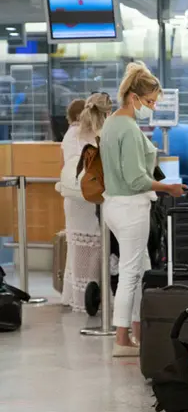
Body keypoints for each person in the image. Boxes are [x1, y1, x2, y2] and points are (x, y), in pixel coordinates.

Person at [100, 63, 186, 357]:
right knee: (130, 274)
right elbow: (136, 179)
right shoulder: (127, 128)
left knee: (141, 270)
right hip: (131, 206)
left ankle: (137, 331)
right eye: (150, 102)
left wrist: (161, 179)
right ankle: (122, 338)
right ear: (134, 97)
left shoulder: (112, 123)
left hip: (114, 204)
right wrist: (169, 189)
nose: (152, 107)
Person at [58, 95, 112, 312]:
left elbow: (62, 169)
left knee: (78, 249)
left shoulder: (71, 135)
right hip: (97, 198)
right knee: (100, 248)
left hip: (74, 199)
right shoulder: (103, 134)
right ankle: (100, 298)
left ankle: (79, 297)